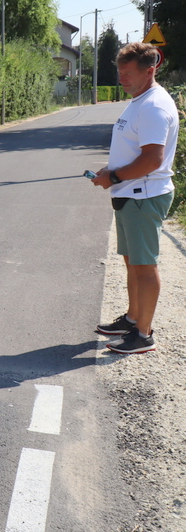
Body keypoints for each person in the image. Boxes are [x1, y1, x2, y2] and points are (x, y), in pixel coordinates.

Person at [92, 42, 179, 354]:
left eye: (128, 73)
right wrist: (111, 170)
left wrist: (113, 177)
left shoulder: (154, 106)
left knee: (144, 265)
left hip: (143, 195)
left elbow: (152, 160)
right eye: (119, 71)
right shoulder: (140, 99)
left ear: (150, 70)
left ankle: (143, 334)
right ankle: (133, 318)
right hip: (131, 194)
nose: (121, 78)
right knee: (133, 262)